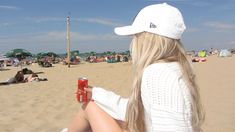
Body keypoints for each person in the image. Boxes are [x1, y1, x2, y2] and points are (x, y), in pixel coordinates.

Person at [65, 3, 204, 132]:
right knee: (91, 106)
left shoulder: (158, 73)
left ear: (148, 39)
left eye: (136, 36)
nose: (133, 43)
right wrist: (95, 94)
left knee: (89, 107)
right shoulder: (176, 67)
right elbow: (136, 111)